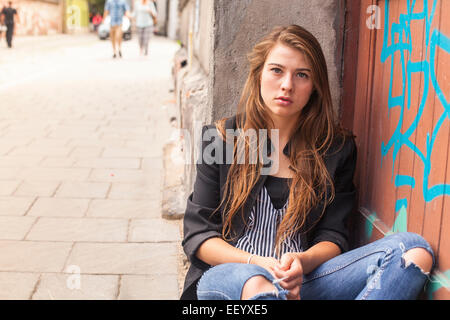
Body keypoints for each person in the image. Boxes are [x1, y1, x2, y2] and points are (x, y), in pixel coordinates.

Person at [181, 25, 435, 300]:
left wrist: (303, 262)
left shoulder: (335, 149)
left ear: (314, 86)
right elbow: (199, 236)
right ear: (258, 75)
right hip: (230, 277)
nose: (287, 84)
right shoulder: (221, 140)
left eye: (301, 75)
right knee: (257, 285)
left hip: (302, 282)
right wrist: (258, 264)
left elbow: (333, 236)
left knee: (413, 251)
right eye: (276, 70)